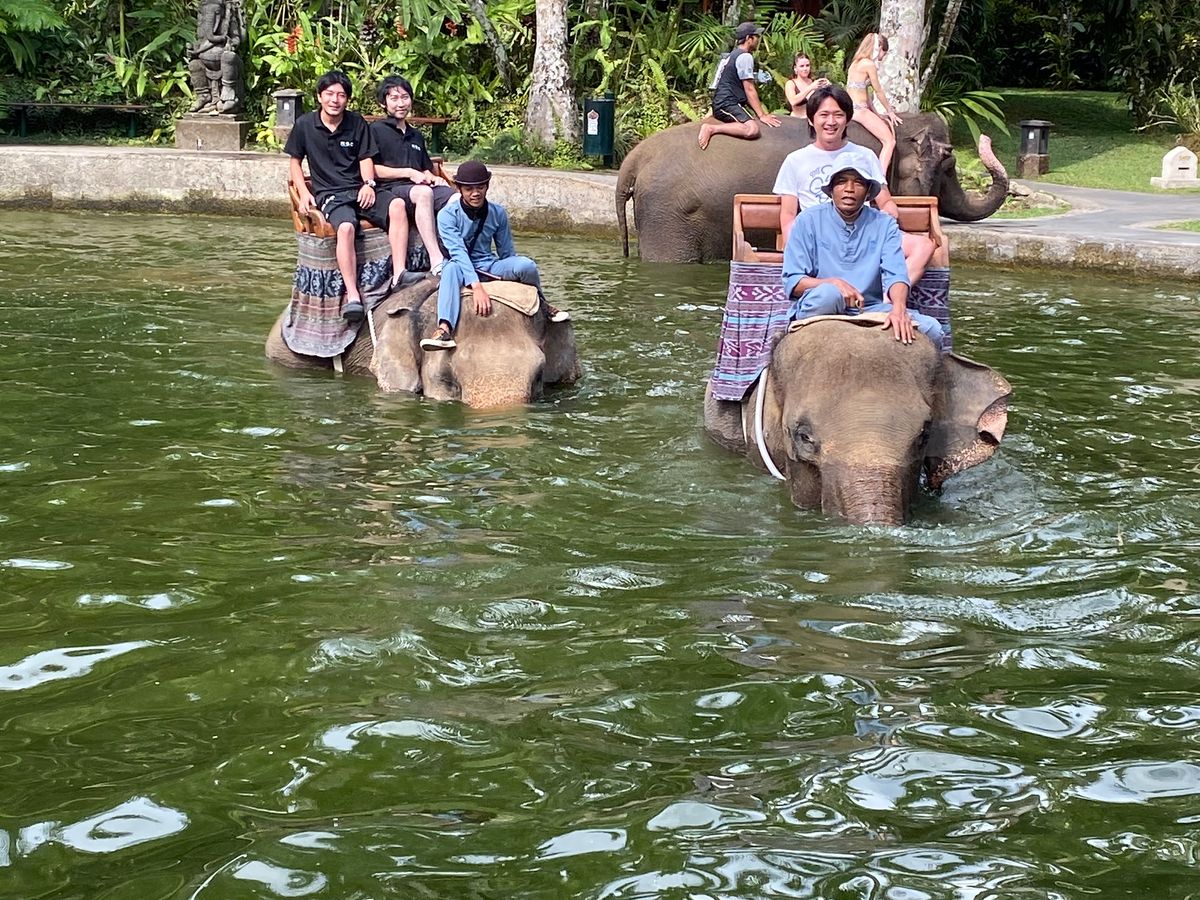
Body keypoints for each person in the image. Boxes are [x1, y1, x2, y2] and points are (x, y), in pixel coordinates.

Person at [772, 84, 934, 286]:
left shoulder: (865, 156)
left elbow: (885, 202)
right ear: (811, 119)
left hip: (864, 233)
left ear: (848, 119)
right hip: (820, 238)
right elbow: (788, 216)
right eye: (824, 115)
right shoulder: (795, 161)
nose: (831, 122)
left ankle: (885, 298)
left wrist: (887, 221)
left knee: (924, 247)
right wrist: (794, 248)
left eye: (838, 115)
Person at [783, 164, 943, 347]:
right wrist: (833, 283)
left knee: (933, 330)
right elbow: (793, 281)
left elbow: (896, 274)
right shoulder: (807, 220)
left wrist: (899, 309)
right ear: (831, 190)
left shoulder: (885, 224)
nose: (849, 189)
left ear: (868, 192)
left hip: (868, 309)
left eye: (858, 183)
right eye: (841, 182)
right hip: (822, 305)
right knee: (829, 294)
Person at [420, 161, 570, 351]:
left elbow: (506, 252)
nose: (475, 193)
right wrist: (477, 287)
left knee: (526, 265)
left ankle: (543, 304)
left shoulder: (498, 212)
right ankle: (444, 328)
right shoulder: (447, 215)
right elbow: (458, 252)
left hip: (488, 265)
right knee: (450, 268)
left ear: (487, 186)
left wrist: (513, 275)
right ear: (459, 189)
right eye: (469, 189)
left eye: (480, 187)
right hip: (460, 267)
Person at [285, 70, 387, 323]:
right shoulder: (305, 125)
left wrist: (368, 184)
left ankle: (401, 274)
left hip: (359, 189)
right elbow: (295, 162)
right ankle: (353, 295)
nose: (335, 100)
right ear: (319, 96)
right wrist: (304, 193)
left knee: (397, 206)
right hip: (330, 194)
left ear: (347, 99)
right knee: (346, 227)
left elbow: (366, 158)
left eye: (341, 95)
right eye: (330, 94)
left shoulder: (357, 123)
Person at [370, 75, 455, 284]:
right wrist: (408, 172)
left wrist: (434, 178)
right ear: (383, 103)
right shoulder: (375, 131)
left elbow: (425, 168)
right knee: (423, 193)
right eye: (394, 98)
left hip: (417, 187)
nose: (400, 103)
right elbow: (372, 170)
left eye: (405, 97)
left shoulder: (415, 135)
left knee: (455, 198)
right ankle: (436, 260)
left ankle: (459, 253)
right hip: (391, 189)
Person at [698, 22, 782, 150]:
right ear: (749, 38)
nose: (758, 40)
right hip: (727, 103)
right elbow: (749, 88)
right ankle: (711, 128)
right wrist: (762, 115)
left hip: (724, 101)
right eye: (756, 36)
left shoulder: (731, 55)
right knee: (752, 129)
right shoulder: (745, 57)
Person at [845, 32, 902, 173]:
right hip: (860, 111)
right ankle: (880, 176)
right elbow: (878, 90)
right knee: (890, 141)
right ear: (879, 48)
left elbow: (865, 93)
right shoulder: (869, 64)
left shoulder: (855, 64)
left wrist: (876, 113)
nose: (882, 57)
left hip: (852, 109)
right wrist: (890, 111)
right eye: (884, 53)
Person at [187, 0, 244, 114]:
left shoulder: (229, 19)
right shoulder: (203, 23)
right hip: (206, 60)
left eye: (216, 12)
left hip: (225, 59)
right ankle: (203, 95)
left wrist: (230, 44)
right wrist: (192, 50)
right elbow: (201, 41)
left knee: (229, 57)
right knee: (194, 64)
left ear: (222, 11)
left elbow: (236, 39)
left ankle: (228, 94)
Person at [783, 53, 828, 118]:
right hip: (797, 120)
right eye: (802, 66)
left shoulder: (815, 82)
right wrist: (811, 87)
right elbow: (793, 101)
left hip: (813, 120)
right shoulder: (790, 83)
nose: (805, 69)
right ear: (795, 68)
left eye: (807, 65)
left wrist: (827, 86)